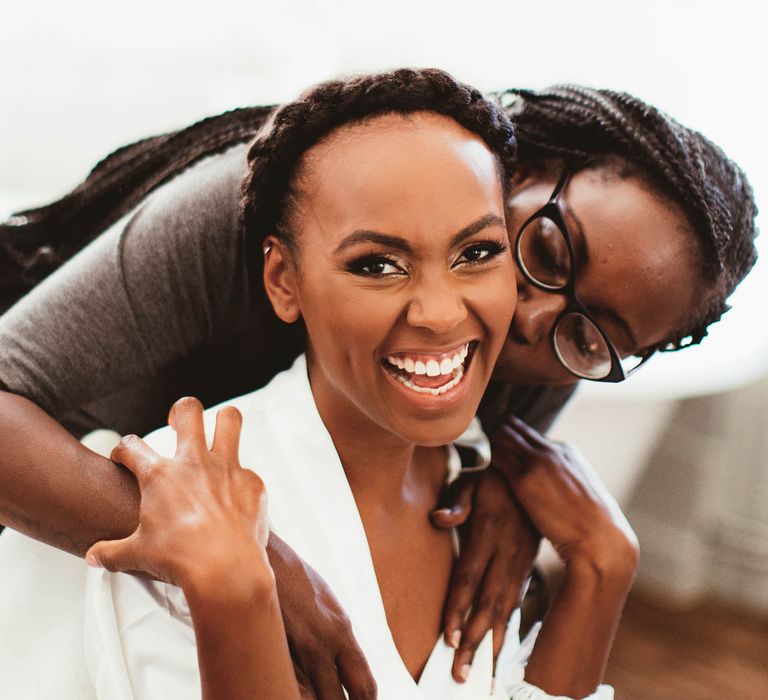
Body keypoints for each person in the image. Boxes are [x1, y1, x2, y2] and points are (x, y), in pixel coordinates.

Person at [0, 70, 758, 694]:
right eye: (546, 252)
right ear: (517, 168)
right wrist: (256, 568)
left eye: (590, 337)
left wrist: (514, 493)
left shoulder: (543, 345)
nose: (527, 319)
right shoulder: (253, 212)